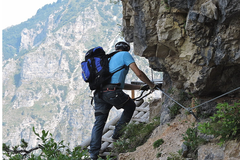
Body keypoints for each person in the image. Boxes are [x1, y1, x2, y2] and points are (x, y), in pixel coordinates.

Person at [89, 41, 156, 160]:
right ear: (126, 49)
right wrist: (151, 85)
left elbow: (120, 85)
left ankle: (93, 154)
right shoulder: (125, 55)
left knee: (99, 123)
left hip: (99, 94)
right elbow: (139, 74)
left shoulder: (108, 59)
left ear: (116, 49)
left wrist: (140, 87)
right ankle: (117, 135)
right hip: (112, 92)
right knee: (130, 106)